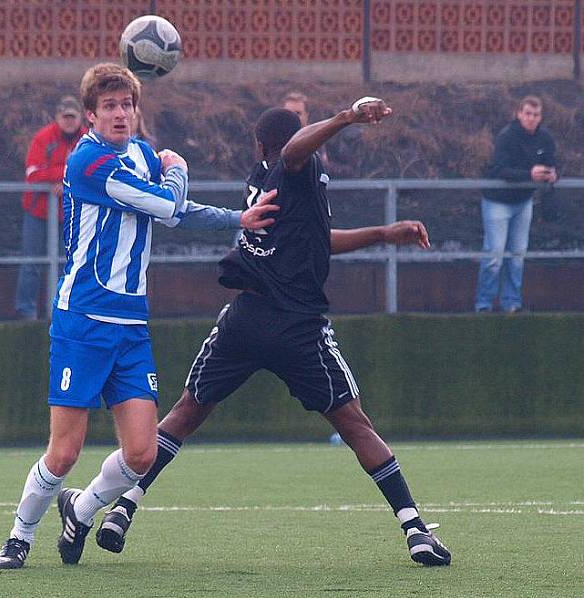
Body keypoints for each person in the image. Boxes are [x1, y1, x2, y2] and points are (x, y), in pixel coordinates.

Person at [94, 101, 453, 567]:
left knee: (186, 414)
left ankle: (124, 507)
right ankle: (415, 531)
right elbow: (296, 153)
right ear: (281, 146)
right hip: (297, 326)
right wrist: (345, 118)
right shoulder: (291, 166)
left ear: (257, 145)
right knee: (354, 424)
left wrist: (383, 233)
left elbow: (316, 237)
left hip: (247, 319)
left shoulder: (269, 178)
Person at [0, 63, 279, 569]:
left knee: (143, 454)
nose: (121, 114)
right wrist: (182, 170)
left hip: (130, 325)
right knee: (64, 453)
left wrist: (227, 212)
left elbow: (175, 206)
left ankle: (79, 511)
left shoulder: (143, 155)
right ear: (90, 116)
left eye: (127, 105)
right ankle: (19, 536)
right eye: (110, 106)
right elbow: (169, 205)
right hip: (82, 320)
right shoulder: (89, 163)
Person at [474, 95, 557, 314]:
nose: (531, 118)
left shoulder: (545, 138)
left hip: (523, 201)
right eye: (527, 114)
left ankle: (511, 303)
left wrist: (552, 173)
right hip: (497, 202)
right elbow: (499, 170)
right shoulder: (507, 136)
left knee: (518, 254)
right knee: (494, 255)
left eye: (536, 115)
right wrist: (529, 174)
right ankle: (484, 304)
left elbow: (553, 163)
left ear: (541, 117)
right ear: (519, 114)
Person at [15, 95, 88, 320]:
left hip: (72, 214)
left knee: (70, 265)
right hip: (38, 211)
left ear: (80, 118)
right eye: (64, 117)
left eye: (72, 117)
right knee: (32, 262)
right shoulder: (43, 138)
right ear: (57, 117)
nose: (68, 122)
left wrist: (63, 180)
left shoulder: (88, 140)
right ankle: (26, 312)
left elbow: (92, 172)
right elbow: (33, 175)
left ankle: (63, 312)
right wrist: (66, 175)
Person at [282, 90, 328, 165]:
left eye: (298, 113)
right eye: (289, 113)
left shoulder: (316, 138)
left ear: (306, 115)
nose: (293, 117)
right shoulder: (274, 140)